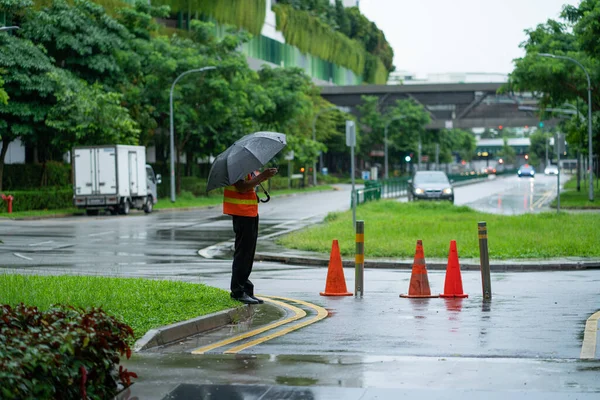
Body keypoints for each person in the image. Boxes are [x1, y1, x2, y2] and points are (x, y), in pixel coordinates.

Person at [223, 167, 278, 305]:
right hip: (242, 213)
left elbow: (248, 187)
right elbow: (241, 187)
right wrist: (262, 176)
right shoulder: (236, 168)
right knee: (243, 253)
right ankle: (238, 291)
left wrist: (262, 178)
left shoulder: (246, 167)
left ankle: (246, 289)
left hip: (249, 212)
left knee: (248, 254)